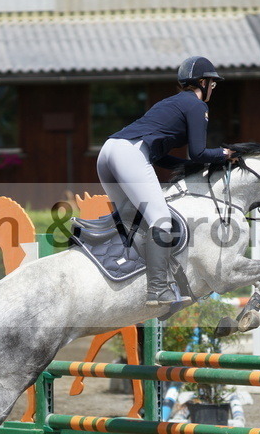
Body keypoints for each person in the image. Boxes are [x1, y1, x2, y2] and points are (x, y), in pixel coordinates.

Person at [96, 56, 230, 306]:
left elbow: (162, 158)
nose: (213, 88)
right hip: (130, 154)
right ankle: (157, 289)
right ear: (202, 82)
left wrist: (192, 167)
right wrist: (223, 154)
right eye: (212, 83)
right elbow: (199, 153)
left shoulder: (169, 103)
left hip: (108, 151)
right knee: (161, 220)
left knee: (131, 221)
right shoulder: (197, 106)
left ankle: (124, 276)